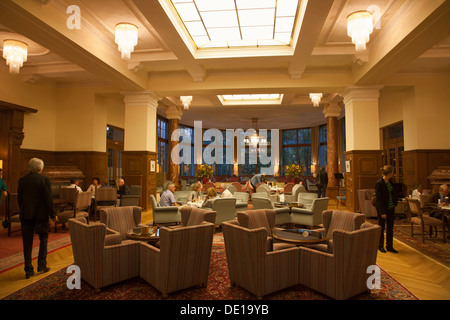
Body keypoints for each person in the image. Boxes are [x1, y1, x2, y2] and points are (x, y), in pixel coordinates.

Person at [18, 158, 57, 279]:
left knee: (27, 242)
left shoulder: (22, 180)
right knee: (43, 238)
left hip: (26, 214)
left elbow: (20, 199)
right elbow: (48, 199)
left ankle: (28, 269)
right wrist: (52, 214)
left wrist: (24, 210)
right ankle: (42, 265)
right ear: (40, 168)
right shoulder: (44, 180)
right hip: (41, 215)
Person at [374, 165, 399, 254]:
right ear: (390, 173)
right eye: (392, 172)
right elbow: (379, 199)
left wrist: (395, 202)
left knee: (390, 227)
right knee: (381, 227)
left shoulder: (390, 182)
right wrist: (382, 212)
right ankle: (380, 245)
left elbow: (393, 193)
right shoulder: (379, 183)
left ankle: (389, 245)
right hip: (383, 208)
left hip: (391, 207)